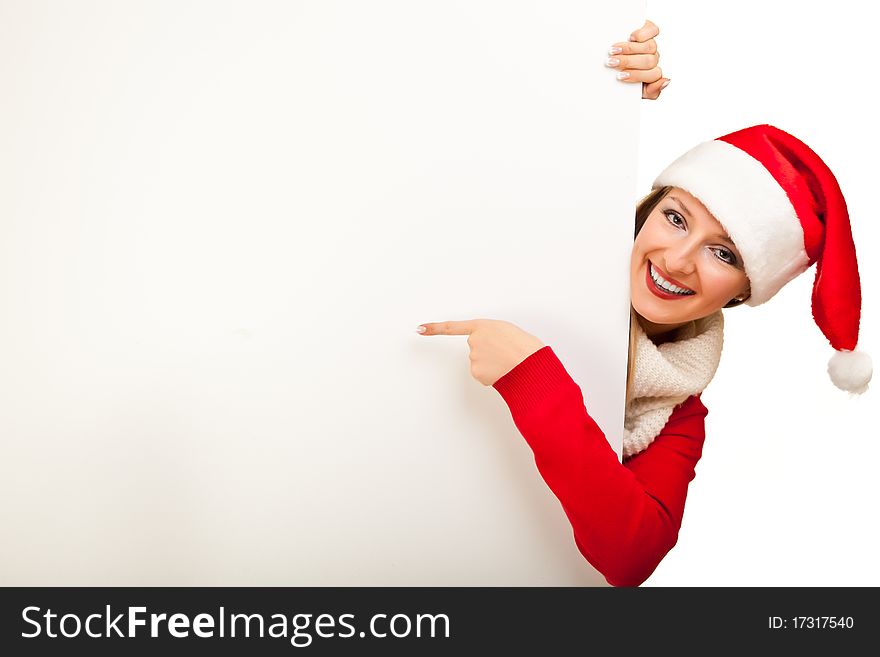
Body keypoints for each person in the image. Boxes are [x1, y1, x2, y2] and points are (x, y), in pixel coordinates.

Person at [415, 23, 872, 586]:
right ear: (645, 211)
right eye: (675, 218)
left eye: (723, 253)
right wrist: (595, 76)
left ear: (743, 292)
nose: (678, 260)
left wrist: (534, 382)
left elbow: (632, 556)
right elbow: (488, 137)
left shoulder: (678, 413)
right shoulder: (552, 243)